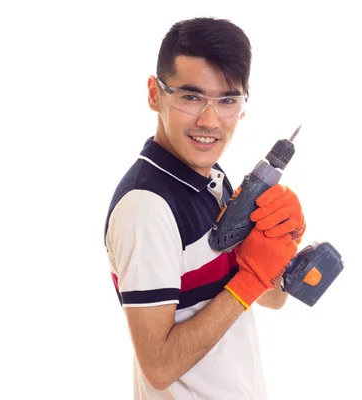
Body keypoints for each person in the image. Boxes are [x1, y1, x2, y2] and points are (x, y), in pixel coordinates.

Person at [103, 17, 305, 400]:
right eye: (191, 97)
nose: (210, 121)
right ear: (154, 93)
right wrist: (248, 282)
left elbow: (271, 300)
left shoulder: (214, 181)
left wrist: (279, 245)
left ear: (244, 104)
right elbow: (159, 367)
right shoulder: (146, 207)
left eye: (227, 100)